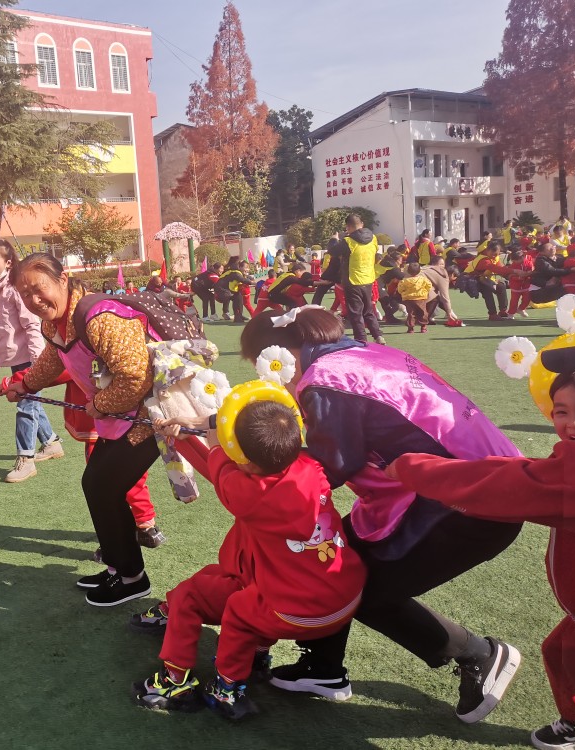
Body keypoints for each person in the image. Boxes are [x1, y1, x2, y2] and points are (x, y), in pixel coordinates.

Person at [157, 309, 524, 722]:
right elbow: (286, 430)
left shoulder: (324, 380)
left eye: (270, 370)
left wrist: (238, 465)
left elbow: (329, 462)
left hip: (465, 502)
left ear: (280, 355)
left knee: (359, 587)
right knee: (332, 562)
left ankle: (478, 654)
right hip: (471, 484)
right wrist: (211, 423)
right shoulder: (356, 354)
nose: (278, 385)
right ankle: (324, 667)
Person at [388, 369, 575, 750]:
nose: (574, 421)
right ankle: (574, 723)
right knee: (561, 652)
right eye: (562, 411)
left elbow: (504, 486)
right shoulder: (574, 459)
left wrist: (414, 469)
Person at [133, 401, 366, 719]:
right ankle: (257, 654)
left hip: (295, 610)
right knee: (235, 579)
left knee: (224, 605)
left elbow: (220, 465)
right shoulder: (310, 464)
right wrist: (187, 434)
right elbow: (223, 470)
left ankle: (203, 686)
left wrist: (209, 439)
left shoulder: (250, 495)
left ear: (245, 461)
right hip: (345, 598)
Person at [6, 253, 161, 607]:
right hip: (119, 418)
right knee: (98, 486)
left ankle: (132, 578)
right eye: (25, 294)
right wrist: (25, 385)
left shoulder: (100, 317)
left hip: (148, 418)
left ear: (63, 279)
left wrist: (101, 404)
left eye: (39, 288)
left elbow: (137, 376)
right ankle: (119, 569)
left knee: (102, 486)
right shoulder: (56, 324)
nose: (34, 299)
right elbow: (52, 360)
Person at [0, 239, 63, 483]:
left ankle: (25, 459)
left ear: (8, 262)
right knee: (30, 402)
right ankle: (51, 442)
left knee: (26, 406)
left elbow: (31, 325)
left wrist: (38, 362)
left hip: (29, 357)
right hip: (13, 357)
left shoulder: (16, 289)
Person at [328, 213, 385, 345]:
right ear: (362, 224)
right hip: (368, 278)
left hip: (352, 280)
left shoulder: (348, 241)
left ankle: (361, 339)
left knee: (355, 312)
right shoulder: (373, 238)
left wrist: (333, 240)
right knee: (368, 310)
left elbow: (333, 251)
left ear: (348, 227)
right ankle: (378, 335)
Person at [464, 241, 512, 320]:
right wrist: (514, 271)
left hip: (484, 278)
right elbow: (496, 269)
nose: (494, 256)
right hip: (470, 279)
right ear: (487, 250)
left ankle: (503, 311)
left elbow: (501, 269)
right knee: (486, 289)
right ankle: (492, 314)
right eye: (493, 254)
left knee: (501, 286)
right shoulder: (483, 260)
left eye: (497, 254)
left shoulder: (495, 258)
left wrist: (510, 276)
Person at [421, 256, 462, 326]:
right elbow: (445, 297)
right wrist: (449, 313)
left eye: (444, 265)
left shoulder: (424, 268)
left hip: (406, 291)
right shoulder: (442, 274)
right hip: (419, 294)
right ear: (452, 274)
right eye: (441, 264)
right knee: (435, 298)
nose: (443, 267)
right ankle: (424, 319)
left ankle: (422, 317)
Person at [397, 262, 432, 333]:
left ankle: (411, 328)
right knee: (423, 312)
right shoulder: (423, 279)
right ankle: (423, 327)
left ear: (408, 271)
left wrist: (403, 293)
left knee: (411, 313)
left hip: (408, 299)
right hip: (421, 298)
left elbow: (400, 289)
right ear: (419, 271)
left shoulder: (404, 281)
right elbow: (429, 286)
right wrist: (425, 291)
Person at [530, 241, 570, 305]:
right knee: (564, 290)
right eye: (548, 248)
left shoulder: (560, 257)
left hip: (552, 287)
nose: (552, 248)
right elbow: (552, 271)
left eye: (552, 246)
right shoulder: (540, 260)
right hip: (538, 290)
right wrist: (570, 270)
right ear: (542, 252)